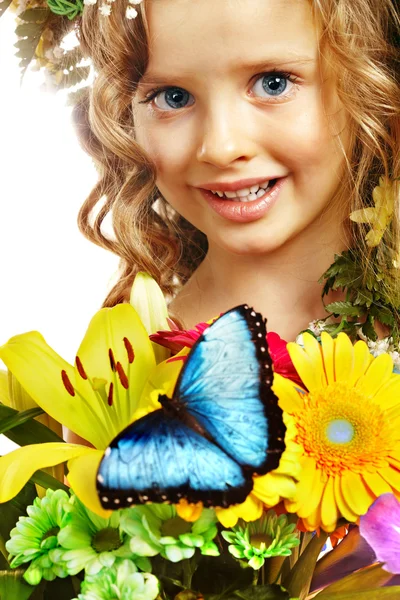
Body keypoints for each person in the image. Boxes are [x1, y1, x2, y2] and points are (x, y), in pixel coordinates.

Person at [74, 0, 399, 343]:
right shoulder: (129, 367)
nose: (221, 147)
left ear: (372, 84)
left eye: (273, 83)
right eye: (173, 97)